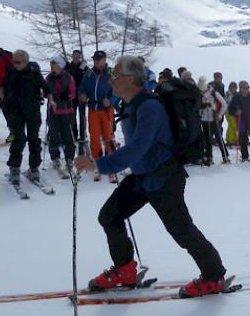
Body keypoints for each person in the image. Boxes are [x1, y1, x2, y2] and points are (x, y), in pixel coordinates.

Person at [75, 56, 227, 298]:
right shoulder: (130, 103)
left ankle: (214, 276)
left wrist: (97, 164)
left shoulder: (149, 107)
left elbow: (137, 148)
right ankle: (125, 270)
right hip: (143, 176)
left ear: (131, 79)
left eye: (116, 74)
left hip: (165, 178)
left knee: (182, 231)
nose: (111, 78)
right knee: (109, 216)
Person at [0, 50, 48, 184]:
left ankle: (34, 168)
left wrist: (50, 97)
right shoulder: (11, 72)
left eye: (18, 62)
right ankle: (14, 169)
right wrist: (1, 93)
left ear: (25, 61)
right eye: (13, 62)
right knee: (18, 139)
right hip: (15, 111)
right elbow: (3, 85)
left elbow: (46, 88)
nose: (15, 64)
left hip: (32, 110)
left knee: (33, 139)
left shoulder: (35, 73)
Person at [79, 50, 117, 181]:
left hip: (106, 109)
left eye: (99, 59)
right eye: (95, 59)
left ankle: (110, 166)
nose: (96, 62)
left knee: (108, 137)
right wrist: (83, 94)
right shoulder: (89, 73)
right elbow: (82, 86)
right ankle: (97, 166)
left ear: (104, 60)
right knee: (94, 138)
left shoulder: (111, 73)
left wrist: (111, 101)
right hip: (93, 109)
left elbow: (118, 90)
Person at [45, 56, 77, 175]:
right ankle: (55, 158)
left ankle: (69, 158)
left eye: (54, 64)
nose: (52, 66)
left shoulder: (68, 77)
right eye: (51, 64)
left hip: (66, 110)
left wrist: (67, 96)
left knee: (68, 135)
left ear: (60, 65)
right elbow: (45, 91)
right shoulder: (49, 78)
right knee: (53, 135)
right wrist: (47, 95)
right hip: (53, 111)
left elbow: (73, 92)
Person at [198, 76, 228, 165]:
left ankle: (225, 156)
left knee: (218, 137)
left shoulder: (213, 92)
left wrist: (219, 115)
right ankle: (209, 156)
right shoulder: (199, 93)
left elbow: (224, 104)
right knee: (207, 137)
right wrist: (202, 108)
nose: (202, 92)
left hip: (213, 117)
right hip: (204, 118)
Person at [65, 50, 88, 141]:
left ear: (80, 56)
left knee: (82, 115)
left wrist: (86, 93)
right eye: (74, 55)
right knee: (72, 115)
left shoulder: (84, 67)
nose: (76, 57)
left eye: (78, 55)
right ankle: (74, 134)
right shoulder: (68, 67)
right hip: (71, 94)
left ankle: (83, 134)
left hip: (81, 93)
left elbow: (88, 79)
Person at [224, 82, 238, 147]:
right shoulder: (228, 94)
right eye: (232, 87)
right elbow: (227, 102)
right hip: (228, 112)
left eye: (234, 87)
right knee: (233, 126)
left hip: (233, 112)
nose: (233, 89)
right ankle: (230, 140)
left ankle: (232, 139)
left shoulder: (236, 94)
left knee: (232, 126)